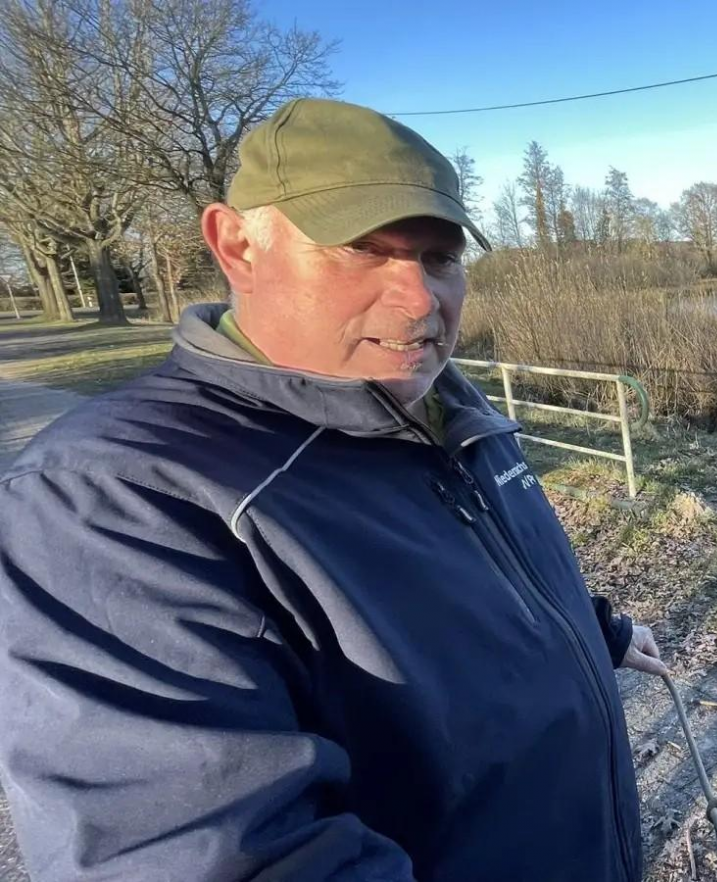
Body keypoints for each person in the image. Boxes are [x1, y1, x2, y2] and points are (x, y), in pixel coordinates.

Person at [0, 97, 667, 882]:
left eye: (440, 258)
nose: (420, 300)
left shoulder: (436, 399)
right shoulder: (111, 499)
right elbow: (206, 855)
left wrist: (597, 632)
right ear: (237, 244)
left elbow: (452, 575)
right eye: (361, 249)